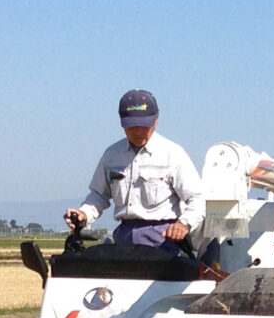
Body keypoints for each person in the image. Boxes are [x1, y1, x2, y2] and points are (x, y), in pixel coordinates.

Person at [64, 89, 204, 255]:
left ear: (156, 121)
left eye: (144, 126)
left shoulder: (172, 154)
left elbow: (198, 198)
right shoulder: (112, 155)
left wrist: (183, 224)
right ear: (122, 122)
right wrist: (84, 214)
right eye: (132, 126)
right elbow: (98, 195)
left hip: (164, 241)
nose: (138, 131)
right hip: (124, 237)